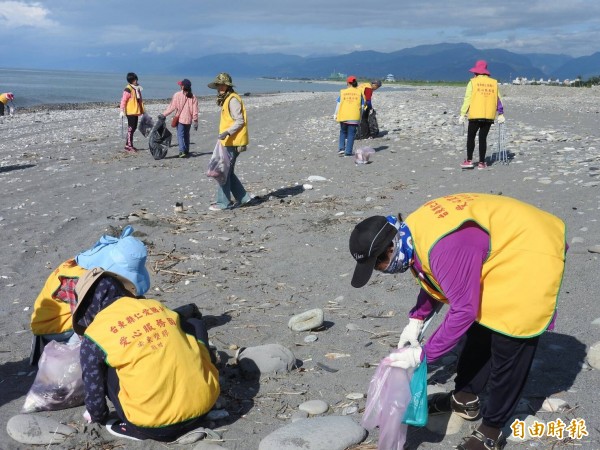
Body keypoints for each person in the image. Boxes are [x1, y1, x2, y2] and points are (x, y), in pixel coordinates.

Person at [349, 193, 566, 450]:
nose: (381, 270)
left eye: (379, 263)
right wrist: (417, 318)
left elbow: (463, 310)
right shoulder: (412, 235)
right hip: (495, 245)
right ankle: (465, 397)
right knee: (480, 330)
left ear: (390, 246)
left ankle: (491, 431)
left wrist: (423, 354)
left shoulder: (444, 248)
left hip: (530, 245)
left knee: (510, 336)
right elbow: (433, 275)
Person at [72, 240, 219, 442]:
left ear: (88, 306)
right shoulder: (155, 306)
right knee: (191, 326)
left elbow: (93, 388)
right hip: (206, 404)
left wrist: (98, 417)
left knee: (106, 368)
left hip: (154, 427)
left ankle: (133, 428)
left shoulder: (95, 336)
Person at [29, 226, 138, 365]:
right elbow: (82, 323)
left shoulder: (84, 265)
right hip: (56, 328)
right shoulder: (77, 280)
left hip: (63, 318)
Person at [206, 72, 254, 211]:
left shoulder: (232, 99)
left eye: (222, 85)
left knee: (223, 173)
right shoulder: (227, 98)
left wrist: (227, 132)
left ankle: (223, 203)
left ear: (227, 86)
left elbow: (239, 121)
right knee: (229, 172)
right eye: (218, 85)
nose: (219, 88)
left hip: (233, 141)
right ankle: (244, 198)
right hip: (230, 141)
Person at [459, 60, 505, 170]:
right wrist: (501, 114)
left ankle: (469, 161)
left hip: (475, 115)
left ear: (476, 72)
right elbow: (498, 99)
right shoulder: (494, 83)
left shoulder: (472, 82)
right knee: (483, 138)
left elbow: (467, 99)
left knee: (471, 137)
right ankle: (481, 162)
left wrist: (462, 114)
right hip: (488, 116)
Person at [162, 79, 199, 158]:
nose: (180, 86)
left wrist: (164, 114)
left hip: (181, 119)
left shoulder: (177, 95)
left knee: (180, 135)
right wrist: (195, 120)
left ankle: (182, 151)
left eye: (181, 85)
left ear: (183, 87)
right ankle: (186, 150)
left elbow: (172, 107)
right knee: (186, 135)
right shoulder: (193, 97)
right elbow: (195, 110)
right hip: (188, 120)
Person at [334, 75, 364, 157]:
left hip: (343, 115)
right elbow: (361, 107)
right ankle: (348, 151)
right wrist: (360, 118)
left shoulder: (343, 92)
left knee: (343, 132)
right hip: (354, 117)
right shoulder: (359, 93)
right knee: (351, 134)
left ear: (347, 83)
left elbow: (338, 104)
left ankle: (341, 149)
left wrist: (335, 114)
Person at [119, 72, 145, 153]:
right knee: (131, 128)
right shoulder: (128, 89)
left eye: (136, 79)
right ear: (131, 80)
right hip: (130, 111)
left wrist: (143, 110)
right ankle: (129, 146)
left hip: (135, 111)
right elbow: (123, 100)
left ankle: (128, 145)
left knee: (133, 128)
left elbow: (139, 100)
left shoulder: (137, 88)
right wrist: (121, 111)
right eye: (134, 80)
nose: (136, 81)